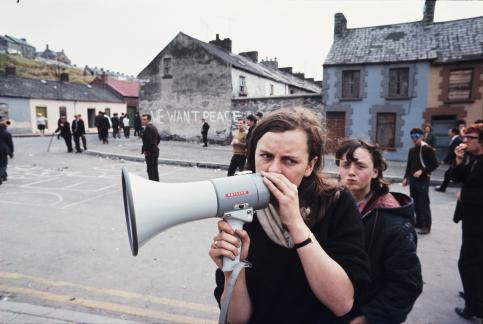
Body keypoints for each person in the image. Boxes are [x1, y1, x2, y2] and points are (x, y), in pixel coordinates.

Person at [209, 108, 370, 323]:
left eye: (289, 161)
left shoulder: (336, 204)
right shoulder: (242, 205)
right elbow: (237, 319)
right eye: (266, 156)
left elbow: (342, 303)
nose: (273, 170)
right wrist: (233, 268)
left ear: (309, 166)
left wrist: (296, 224)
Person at [335, 139, 423, 324]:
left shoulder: (394, 223)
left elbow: (406, 284)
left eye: (360, 166)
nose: (351, 172)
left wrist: (368, 317)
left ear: (375, 171)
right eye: (345, 164)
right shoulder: (330, 205)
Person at [450, 124, 483, 320]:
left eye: (470, 138)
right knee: (477, 261)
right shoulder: (474, 159)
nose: (465, 141)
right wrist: (459, 159)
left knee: (468, 263)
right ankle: (475, 294)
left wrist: (465, 195)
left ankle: (474, 307)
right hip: (472, 219)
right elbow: (456, 177)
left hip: (478, 222)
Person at [402, 128, 438, 235]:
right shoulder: (412, 150)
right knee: (415, 202)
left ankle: (427, 226)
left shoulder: (427, 149)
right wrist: (406, 177)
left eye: (416, 137)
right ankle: (419, 222)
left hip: (423, 180)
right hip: (413, 180)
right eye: (412, 137)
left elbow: (435, 164)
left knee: (424, 203)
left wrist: (422, 171)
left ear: (422, 136)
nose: (414, 139)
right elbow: (409, 165)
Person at [435, 128, 462, 192]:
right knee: (448, 175)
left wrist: (445, 160)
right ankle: (443, 188)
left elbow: (452, 152)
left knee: (448, 175)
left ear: (454, 132)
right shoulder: (455, 139)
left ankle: (442, 188)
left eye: (449, 131)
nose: (448, 133)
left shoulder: (458, 140)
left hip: (456, 161)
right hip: (454, 161)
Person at [141, 114, 160, 181]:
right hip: (155, 151)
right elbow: (158, 138)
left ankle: (152, 185)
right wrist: (155, 145)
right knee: (155, 169)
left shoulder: (148, 128)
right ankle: (157, 183)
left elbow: (148, 141)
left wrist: (147, 151)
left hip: (150, 152)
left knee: (150, 170)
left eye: (144, 119)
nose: (142, 121)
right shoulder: (154, 127)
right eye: (142, 119)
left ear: (148, 120)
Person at [0, 117, 14, 184]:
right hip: (3, 150)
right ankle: (1, 176)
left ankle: (4, 176)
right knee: (3, 164)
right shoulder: (7, 133)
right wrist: (11, 153)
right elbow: (10, 144)